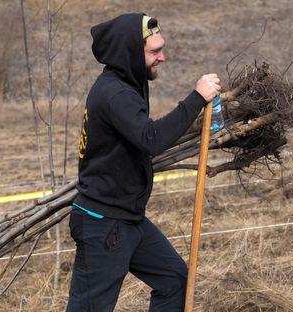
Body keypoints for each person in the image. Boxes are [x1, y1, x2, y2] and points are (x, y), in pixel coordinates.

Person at [67, 13, 220, 311]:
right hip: (103, 224)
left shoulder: (130, 82)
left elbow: (142, 136)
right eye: (154, 51)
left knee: (174, 280)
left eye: (161, 48)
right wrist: (197, 97)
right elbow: (152, 139)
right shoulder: (115, 93)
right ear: (130, 52)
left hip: (128, 218)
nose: (162, 57)